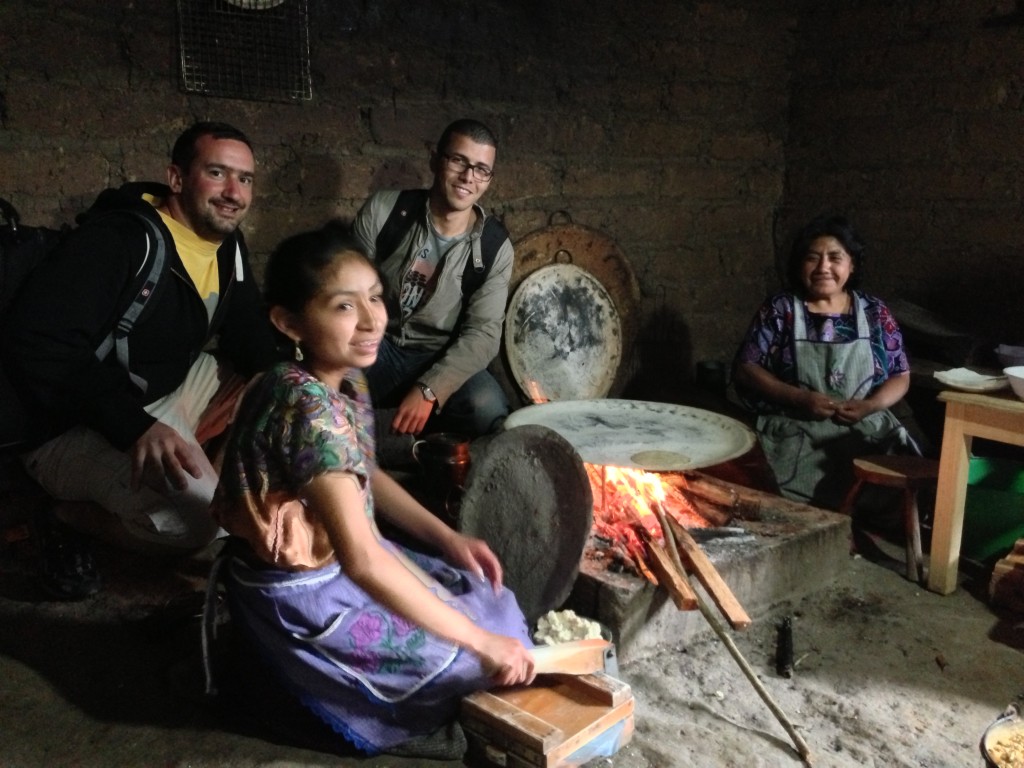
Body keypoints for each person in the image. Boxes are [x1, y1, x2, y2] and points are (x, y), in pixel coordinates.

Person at [208, 225, 534, 759]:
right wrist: (479, 644)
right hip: (300, 590)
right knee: (476, 658)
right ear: (289, 321)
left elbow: (363, 474)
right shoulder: (306, 407)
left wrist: (449, 539)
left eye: (375, 297)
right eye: (343, 306)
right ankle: (282, 690)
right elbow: (362, 560)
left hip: (338, 559)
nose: (371, 319)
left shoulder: (343, 381)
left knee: (492, 608)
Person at [1, 121, 280, 599]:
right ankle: (62, 513)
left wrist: (298, 375)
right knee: (195, 525)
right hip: (71, 423)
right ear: (177, 178)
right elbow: (38, 343)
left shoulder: (226, 245)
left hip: (161, 393)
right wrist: (134, 427)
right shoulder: (120, 242)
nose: (234, 193)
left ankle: (197, 469)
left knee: (277, 390)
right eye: (217, 173)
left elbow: (246, 328)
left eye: (245, 179)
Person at [731, 214, 917, 510]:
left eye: (835, 258)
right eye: (813, 258)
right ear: (799, 264)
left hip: (863, 429)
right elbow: (747, 369)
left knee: (894, 491)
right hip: (798, 431)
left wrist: (869, 406)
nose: (823, 268)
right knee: (781, 500)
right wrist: (799, 397)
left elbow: (900, 375)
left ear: (851, 264)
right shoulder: (781, 310)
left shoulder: (874, 312)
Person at [353, 118, 513, 439]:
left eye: (482, 169)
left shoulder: (494, 247)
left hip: (438, 355)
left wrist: (431, 388)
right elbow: (346, 292)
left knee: (486, 408)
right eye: (459, 161)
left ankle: (407, 440)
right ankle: (388, 442)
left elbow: (482, 333)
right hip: (377, 345)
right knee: (324, 391)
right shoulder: (386, 211)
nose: (469, 177)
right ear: (435, 159)